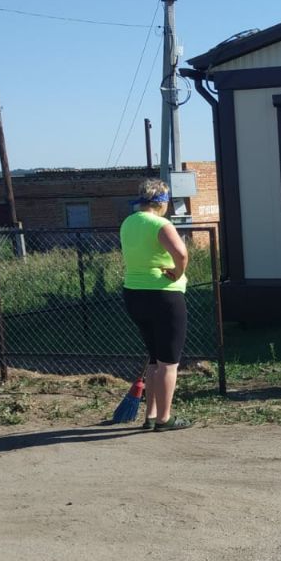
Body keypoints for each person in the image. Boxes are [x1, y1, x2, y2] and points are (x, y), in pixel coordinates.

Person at [119, 179, 192, 430]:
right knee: (168, 363)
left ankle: (150, 416)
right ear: (162, 202)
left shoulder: (128, 222)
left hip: (134, 294)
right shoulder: (161, 224)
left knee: (153, 359)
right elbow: (181, 254)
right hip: (163, 295)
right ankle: (165, 418)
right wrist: (178, 273)